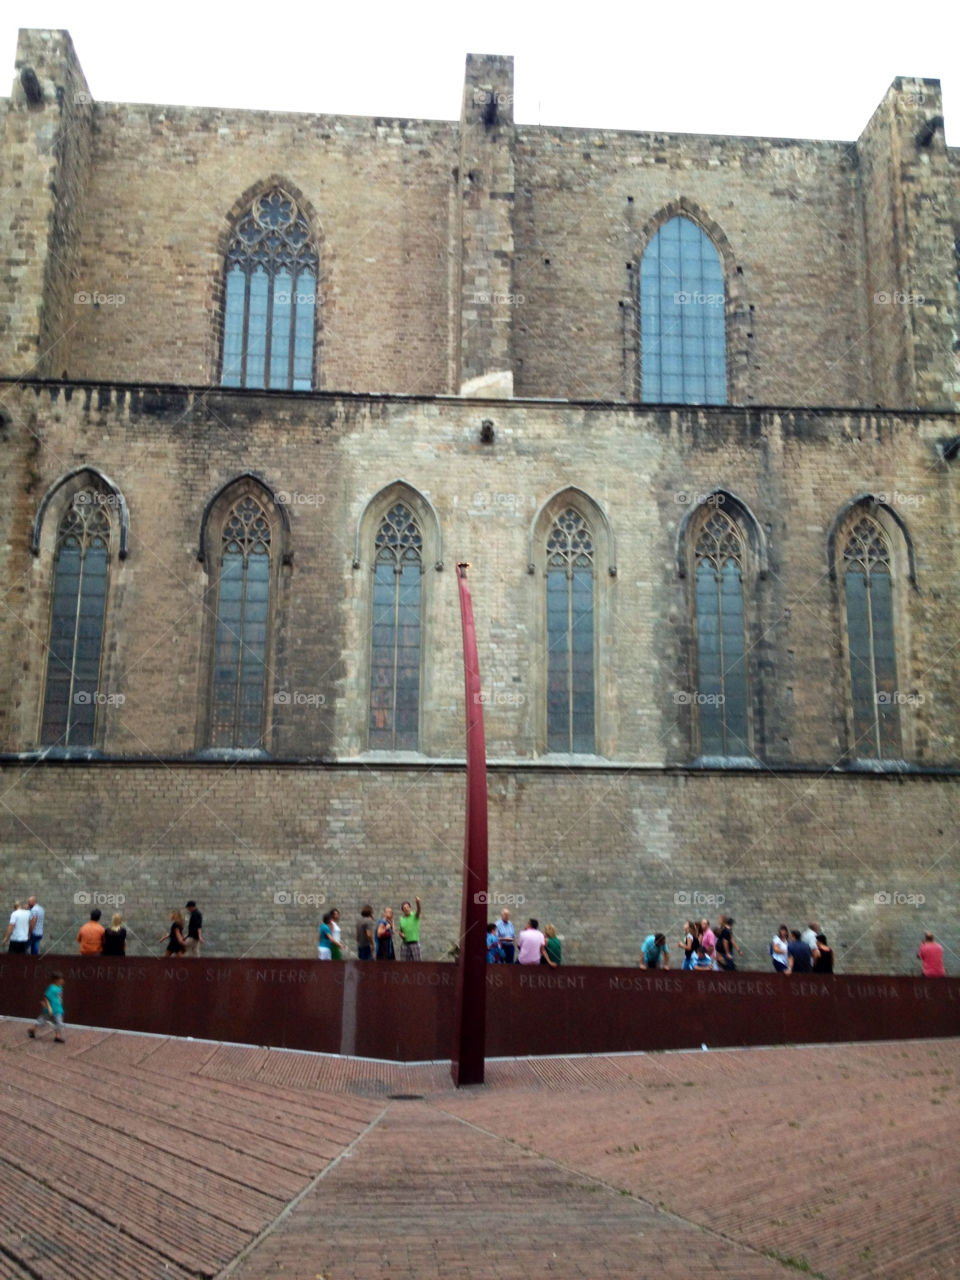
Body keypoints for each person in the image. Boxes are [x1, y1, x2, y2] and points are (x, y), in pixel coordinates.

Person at [28, 971, 65, 1043]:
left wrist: (60, 1002)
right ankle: (32, 1030)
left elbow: (59, 996)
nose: (62, 980)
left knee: (59, 1022)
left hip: (57, 1009)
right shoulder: (51, 988)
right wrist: (49, 1007)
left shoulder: (59, 987)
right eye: (61, 979)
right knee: (42, 1021)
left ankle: (57, 1037)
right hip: (50, 1009)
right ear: (56, 980)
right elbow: (46, 997)